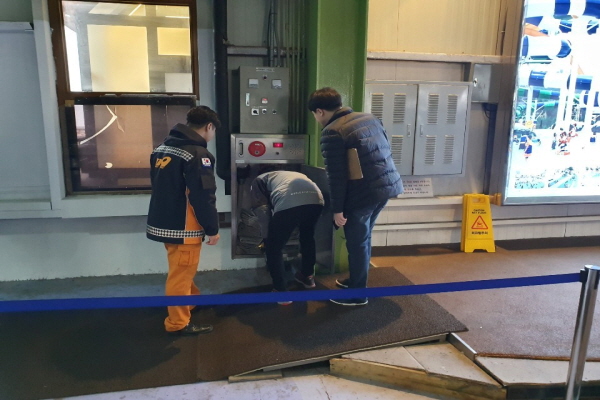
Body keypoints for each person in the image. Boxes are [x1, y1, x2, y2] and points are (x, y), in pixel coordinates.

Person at [308, 87, 403, 306]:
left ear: (320, 111)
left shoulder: (332, 131)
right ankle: (356, 281)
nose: (316, 118)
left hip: (363, 194)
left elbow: (337, 176)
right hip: (386, 187)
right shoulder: (369, 118)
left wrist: (337, 210)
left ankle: (358, 295)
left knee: (357, 243)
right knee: (364, 238)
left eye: (314, 114)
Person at [146, 106, 221, 335]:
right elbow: (203, 195)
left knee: (181, 268)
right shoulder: (197, 154)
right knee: (181, 274)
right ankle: (178, 323)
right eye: (213, 130)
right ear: (209, 126)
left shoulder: (162, 148)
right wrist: (212, 228)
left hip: (164, 220)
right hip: (184, 226)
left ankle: (191, 301)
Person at [250, 170, 324, 304]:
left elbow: (262, 210)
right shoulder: (285, 175)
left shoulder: (258, 180)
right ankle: (307, 276)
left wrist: (267, 237)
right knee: (307, 236)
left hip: (290, 200)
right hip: (317, 200)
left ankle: (280, 290)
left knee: (274, 247)